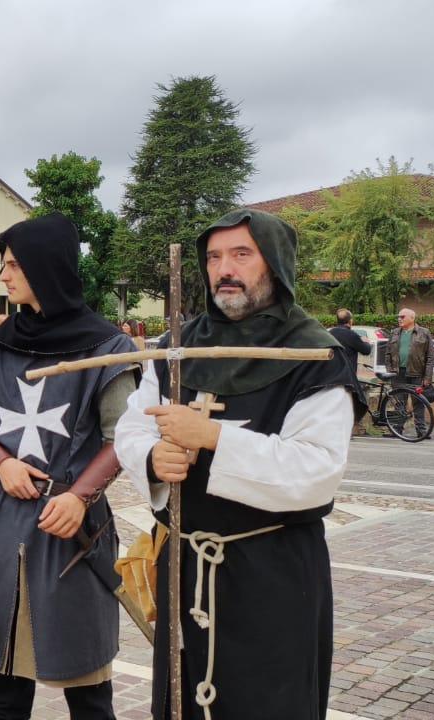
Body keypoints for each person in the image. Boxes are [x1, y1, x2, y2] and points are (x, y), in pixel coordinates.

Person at [114, 209, 359, 720]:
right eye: (214, 257)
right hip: (185, 567)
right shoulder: (179, 346)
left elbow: (318, 469)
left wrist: (212, 439)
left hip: (272, 575)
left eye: (241, 254)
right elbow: (133, 427)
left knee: (266, 704)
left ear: (275, 264)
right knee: (182, 703)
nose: (225, 268)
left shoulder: (314, 353)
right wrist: (152, 458)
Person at [0, 214, 135, 720]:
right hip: (5, 519)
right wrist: (1, 463)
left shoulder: (107, 347)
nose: (5, 275)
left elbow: (121, 435)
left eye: (14, 265)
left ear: (45, 267)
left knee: (87, 687)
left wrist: (80, 496)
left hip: (71, 527)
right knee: (8, 685)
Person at [379, 307, 434, 437]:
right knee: (399, 402)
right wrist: (390, 370)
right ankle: (397, 430)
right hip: (398, 374)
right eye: (399, 317)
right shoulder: (394, 332)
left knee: (419, 403)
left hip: (416, 374)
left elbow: (430, 357)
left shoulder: (424, 332)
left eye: (402, 317)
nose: (399, 319)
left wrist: (427, 377)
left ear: (412, 318)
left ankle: (421, 431)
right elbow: (387, 354)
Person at [328, 309, 373, 432]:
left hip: (331, 375)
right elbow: (366, 350)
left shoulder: (330, 333)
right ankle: (347, 429)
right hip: (347, 375)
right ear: (350, 321)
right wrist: (366, 342)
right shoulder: (352, 335)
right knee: (348, 402)